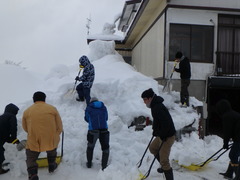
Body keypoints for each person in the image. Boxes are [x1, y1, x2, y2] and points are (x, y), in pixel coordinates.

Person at [22, 91, 63, 180]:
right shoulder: (52, 109)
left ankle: (33, 174)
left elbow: (25, 128)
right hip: (50, 138)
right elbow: (59, 126)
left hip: (34, 138)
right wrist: (55, 135)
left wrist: (32, 133)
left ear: (33, 100)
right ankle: (52, 166)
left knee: (31, 156)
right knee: (52, 149)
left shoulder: (27, 111)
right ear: (44, 99)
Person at [141, 88, 176, 180]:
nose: (144, 102)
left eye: (145, 99)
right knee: (152, 148)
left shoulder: (158, 107)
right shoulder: (154, 105)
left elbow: (166, 123)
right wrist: (155, 130)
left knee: (164, 160)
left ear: (150, 98)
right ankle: (164, 167)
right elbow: (158, 121)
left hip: (168, 136)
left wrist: (163, 134)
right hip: (162, 134)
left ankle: (166, 170)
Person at [216, 99, 240, 180]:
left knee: (233, 155)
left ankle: (238, 177)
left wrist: (225, 143)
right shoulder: (232, 113)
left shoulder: (227, 116)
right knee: (234, 155)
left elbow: (227, 131)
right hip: (238, 138)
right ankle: (229, 173)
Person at [84, 97, 109, 170]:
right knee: (105, 148)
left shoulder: (89, 108)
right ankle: (104, 166)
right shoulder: (103, 107)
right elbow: (106, 118)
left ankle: (89, 164)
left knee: (90, 147)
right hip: (104, 130)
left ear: (91, 102)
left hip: (93, 130)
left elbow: (86, 118)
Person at [0, 103, 20, 174]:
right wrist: (14, 138)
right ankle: (0, 169)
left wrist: (11, 140)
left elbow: (3, 131)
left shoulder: (2, 116)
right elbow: (13, 128)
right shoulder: (12, 116)